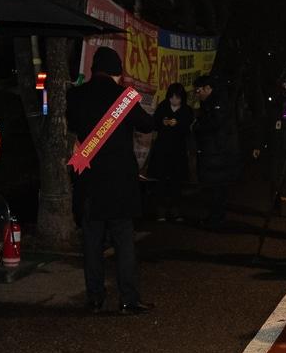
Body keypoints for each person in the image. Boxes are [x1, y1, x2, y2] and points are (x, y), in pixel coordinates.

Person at [66, 46, 155, 314]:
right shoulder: (122, 98)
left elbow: (72, 124)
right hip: (119, 184)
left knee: (92, 242)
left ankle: (94, 297)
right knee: (124, 242)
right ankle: (128, 299)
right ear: (117, 72)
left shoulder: (76, 94)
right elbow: (147, 125)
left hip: (90, 181)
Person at [192, 75, 240, 228]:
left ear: (208, 88)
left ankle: (215, 219)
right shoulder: (213, 102)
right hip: (216, 152)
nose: (197, 94)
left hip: (218, 153)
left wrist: (197, 126)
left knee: (216, 187)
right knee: (216, 187)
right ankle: (215, 217)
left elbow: (215, 124)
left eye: (198, 90)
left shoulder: (217, 103)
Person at [147, 82, 194, 221]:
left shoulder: (186, 110)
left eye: (177, 98)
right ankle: (160, 211)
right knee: (160, 181)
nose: (174, 100)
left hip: (178, 150)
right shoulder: (163, 106)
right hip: (162, 149)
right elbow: (154, 124)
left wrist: (178, 124)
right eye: (172, 97)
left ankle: (175, 210)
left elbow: (187, 129)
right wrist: (163, 122)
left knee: (176, 181)